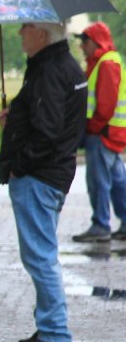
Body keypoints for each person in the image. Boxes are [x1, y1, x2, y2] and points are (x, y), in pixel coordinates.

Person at [0, 20, 88, 342]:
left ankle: (55, 334)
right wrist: (16, 119)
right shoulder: (62, 66)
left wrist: (19, 165)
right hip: (53, 174)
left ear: (41, 33)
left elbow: (47, 132)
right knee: (41, 254)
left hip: (39, 176)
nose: (20, 32)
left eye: (26, 26)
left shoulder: (49, 71)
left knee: (39, 257)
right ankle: (48, 326)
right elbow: (49, 119)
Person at [71, 21, 126, 242]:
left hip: (102, 133)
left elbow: (105, 104)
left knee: (99, 182)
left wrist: (92, 128)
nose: (82, 47)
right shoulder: (105, 62)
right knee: (117, 180)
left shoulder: (105, 63)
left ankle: (100, 225)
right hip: (111, 132)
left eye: (85, 42)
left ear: (96, 41)